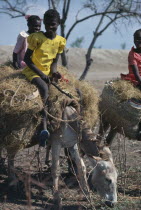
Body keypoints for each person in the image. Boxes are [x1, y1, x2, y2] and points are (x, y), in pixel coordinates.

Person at [23, 9, 66, 146]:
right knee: (44, 89)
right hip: (33, 71)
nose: (49, 26)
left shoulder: (60, 41)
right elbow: (27, 59)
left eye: (52, 24)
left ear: (59, 23)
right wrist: (41, 75)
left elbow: (54, 62)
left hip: (47, 73)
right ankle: (44, 127)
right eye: (46, 23)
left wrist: (54, 73)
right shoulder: (37, 37)